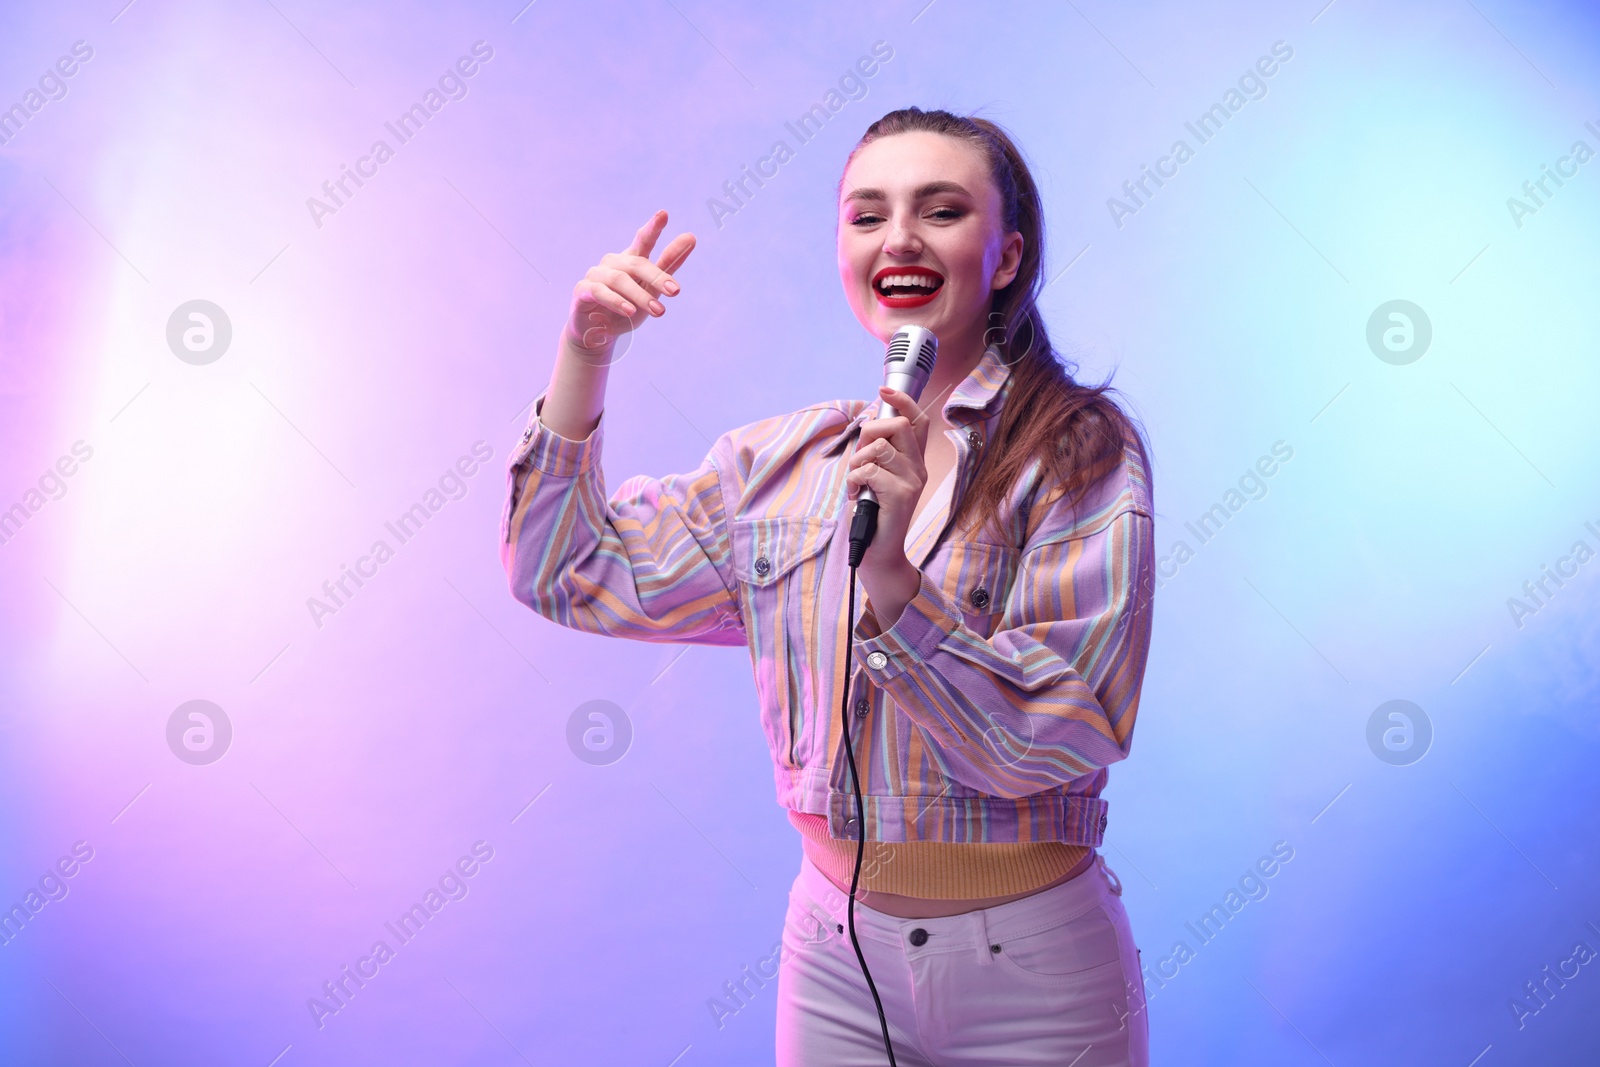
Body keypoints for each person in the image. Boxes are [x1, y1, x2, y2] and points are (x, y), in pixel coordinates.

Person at [501, 107, 1156, 1066]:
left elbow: (1067, 729)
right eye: (866, 215)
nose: (899, 238)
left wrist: (892, 577)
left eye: (940, 210)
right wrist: (585, 352)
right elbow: (560, 570)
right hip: (833, 961)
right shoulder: (781, 465)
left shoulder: (1078, 452)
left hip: (1034, 972)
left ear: (1006, 256)